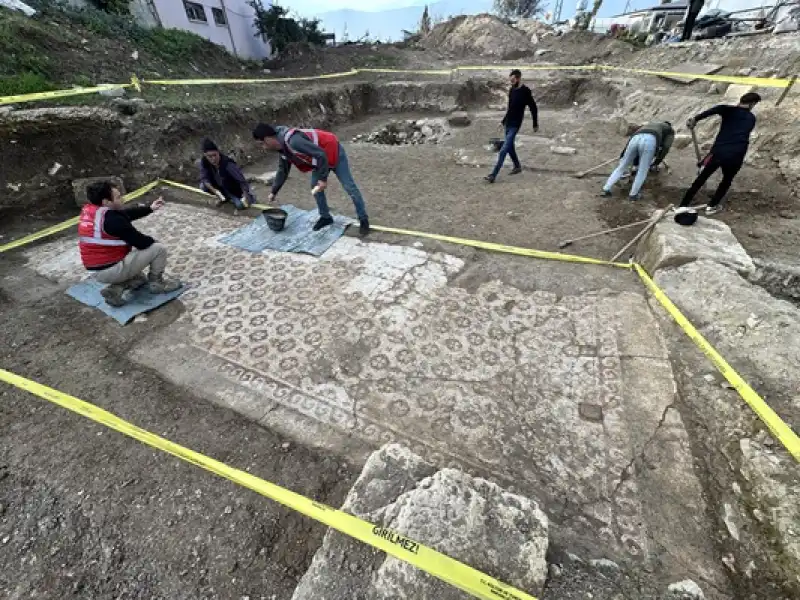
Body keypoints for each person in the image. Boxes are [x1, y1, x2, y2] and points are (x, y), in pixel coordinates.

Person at [252, 123, 370, 235]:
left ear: (267, 138)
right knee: (315, 186)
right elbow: (283, 170)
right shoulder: (282, 148)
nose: (264, 147)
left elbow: (321, 154)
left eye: (262, 144)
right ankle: (325, 217)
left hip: (332, 150)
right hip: (320, 159)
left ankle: (363, 219)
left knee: (349, 186)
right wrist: (274, 191)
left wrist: (323, 179)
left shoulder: (293, 141)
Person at [78, 181, 181, 307]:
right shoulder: (113, 220)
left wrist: (150, 208)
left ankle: (115, 290)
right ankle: (157, 284)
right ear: (106, 202)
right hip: (111, 269)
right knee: (158, 249)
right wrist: (154, 242)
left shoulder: (92, 210)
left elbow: (125, 214)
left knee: (140, 279)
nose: (123, 198)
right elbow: (142, 242)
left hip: (98, 270)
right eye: (118, 197)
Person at [679, 92, 761, 215]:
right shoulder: (751, 118)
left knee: (701, 178)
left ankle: (683, 205)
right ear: (752, 104)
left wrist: (695, 119)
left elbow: (715, 109)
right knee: (727, 180)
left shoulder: (727, 110)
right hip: (737, 154)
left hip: (719, 151)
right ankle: (712, 206)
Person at [484, 69, 538, 184]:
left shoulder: (525, 91)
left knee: (503, 150)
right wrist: (503, 121)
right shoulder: (512, 90)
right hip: (508, 123)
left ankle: (493, 175)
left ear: (518, 78)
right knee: (510, 147)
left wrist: (535, 124)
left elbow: (533, 107)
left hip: (515, 125)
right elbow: (510, 108)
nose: (511, 82)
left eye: (513, 80)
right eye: (510, 80)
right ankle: (517, 166)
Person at [601, 121, 674, 201]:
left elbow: (632, 139)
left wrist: (623, 154)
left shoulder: (650, 124)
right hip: (650, 140)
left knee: (621, 167)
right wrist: (656, 162)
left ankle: (606, 189)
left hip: (635, 138)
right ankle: (633, 195)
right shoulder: (670, 130)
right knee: (642, 171)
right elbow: (666, 147)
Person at [199, 139, 256, 212]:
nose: (213, 159)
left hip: (232, 189)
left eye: (215, 155)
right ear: (205, 155)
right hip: (220, 187)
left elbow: (242, 181)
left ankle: (249, 198)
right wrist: (215, 191)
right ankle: (223, 197)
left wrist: (245, 195)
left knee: (240, 205)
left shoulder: (228, 164)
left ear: (218, 152)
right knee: (203, 186)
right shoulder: (204, 162)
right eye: (210, 156)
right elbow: (204, 178)